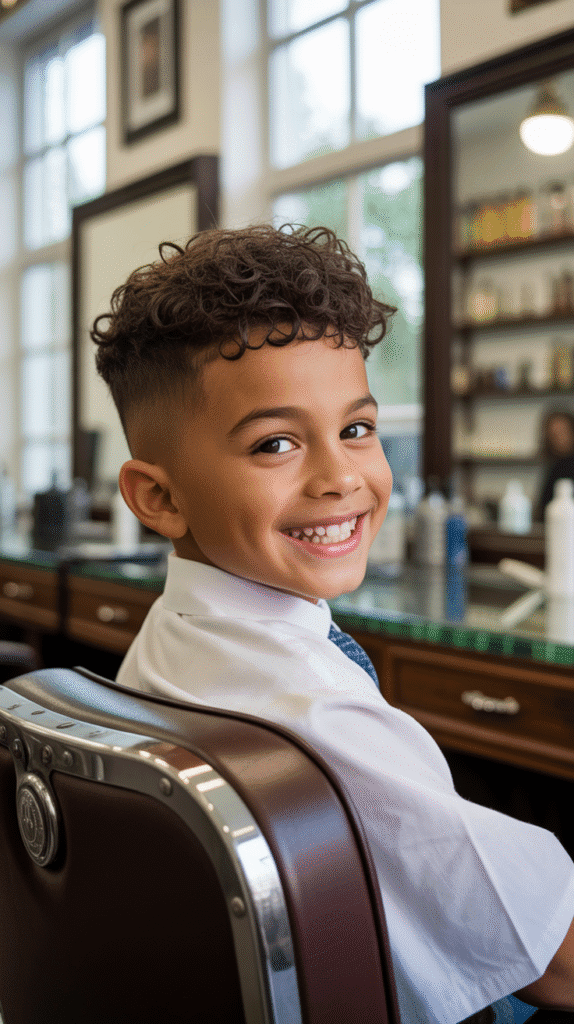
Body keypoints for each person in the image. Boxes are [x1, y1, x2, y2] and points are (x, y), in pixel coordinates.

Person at [91, 225, 574, 1024]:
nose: (341, 476)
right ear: (159, 498)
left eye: (356, 429)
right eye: (276, 443)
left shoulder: (175, 630)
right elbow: (554, 962)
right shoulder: (315, 714)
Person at [537, 408, 574, 520]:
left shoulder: (566, 465)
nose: (559, 439)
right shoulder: (554, 465)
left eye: (562, 432)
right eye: (554, 434)